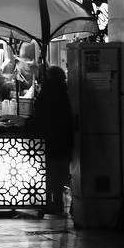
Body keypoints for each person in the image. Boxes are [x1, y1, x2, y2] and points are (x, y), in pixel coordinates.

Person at [34, 64, 74, 216]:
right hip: (63, 139)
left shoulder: (45, 92)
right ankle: (58, 202)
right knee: (61, 172)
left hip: (48, 138)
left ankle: (46, 202)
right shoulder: (66, 92)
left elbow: (38, 113)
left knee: (48, 171)